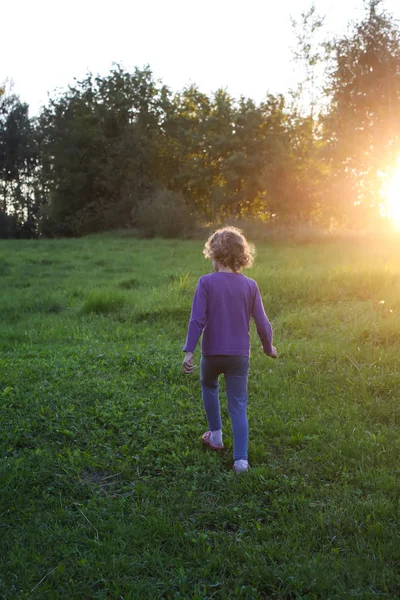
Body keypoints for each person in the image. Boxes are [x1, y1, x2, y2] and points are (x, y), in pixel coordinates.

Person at [182, 226, 277, 473]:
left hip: (211, 354)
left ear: (214, 255)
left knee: (209, 386)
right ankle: (241, 461)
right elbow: (263, 323)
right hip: (239, 356)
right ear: (241, 256)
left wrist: (189, 350)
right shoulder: (250, 285)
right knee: (238, 404)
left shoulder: (206, 282)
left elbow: (196, 319)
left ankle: (215, 436)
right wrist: (269, 348)